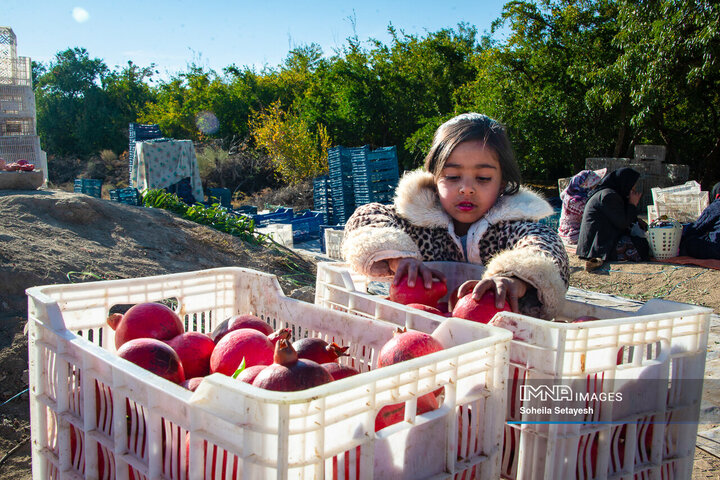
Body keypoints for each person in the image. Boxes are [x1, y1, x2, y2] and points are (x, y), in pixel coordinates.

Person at [341, 113, 569, 320]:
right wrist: (398, 256)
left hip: (497, 339)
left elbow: (546, 246)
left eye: (483, 178)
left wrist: (514, 279)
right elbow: (367, 216)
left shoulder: (511, 227)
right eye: (452, 176)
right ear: (434, 178)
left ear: (502, 184)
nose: (466, 189)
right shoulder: (418, 222)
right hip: (418, 327)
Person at [575, 167, 650, 271]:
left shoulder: (610, 193)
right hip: (598, 246)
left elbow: (619, 216)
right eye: (633, 185)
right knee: (642, 246)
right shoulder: (608, 196)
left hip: (603, 240)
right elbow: (622, 223)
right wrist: (632, 204)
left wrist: (636, 219)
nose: (634, 188)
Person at [557, 169, 605, 245]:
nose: (596, 185)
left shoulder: (569, 193)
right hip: (572, 235)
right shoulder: (578, 201)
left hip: (563, 232)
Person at [679, 182, 720, 259]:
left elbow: (697, 228)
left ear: (716, 195)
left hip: (717, 250)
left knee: (689, 242)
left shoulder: (716, 206)